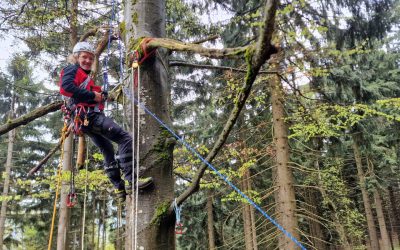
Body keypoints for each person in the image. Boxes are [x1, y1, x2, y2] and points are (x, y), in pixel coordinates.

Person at [59, 41, 153, 202]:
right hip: (89, 117)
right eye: (84, 57)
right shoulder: (72, 70)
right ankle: (132, 181)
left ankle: (119, 188)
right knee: (124, 138)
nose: (88, 61)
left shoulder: (83, 76)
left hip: (84, 121)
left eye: (90, 58)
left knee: (107, 148)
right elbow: (66, 88)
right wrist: (92, 96)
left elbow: (82, 91)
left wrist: (99, 93)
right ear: (76, 57)